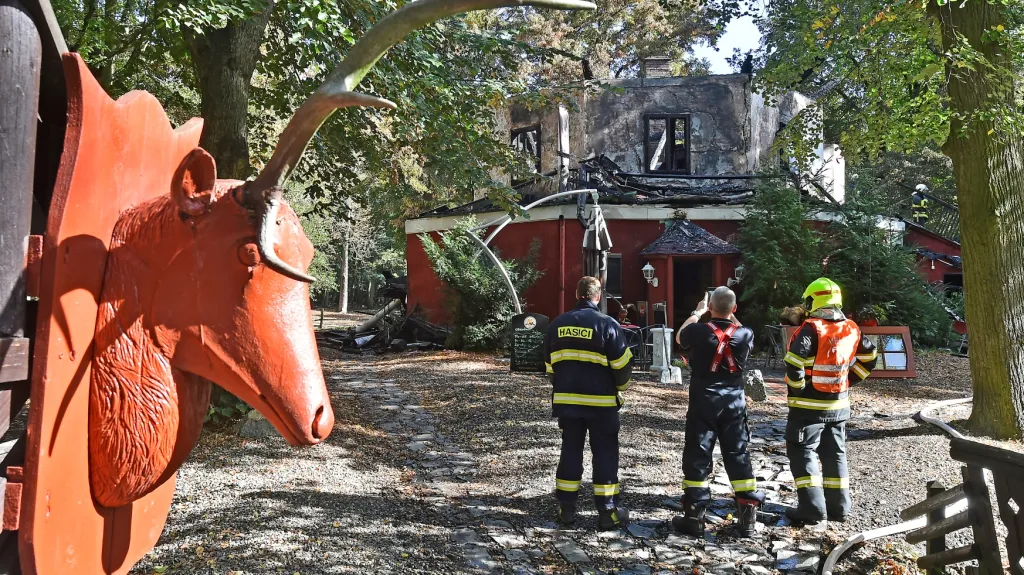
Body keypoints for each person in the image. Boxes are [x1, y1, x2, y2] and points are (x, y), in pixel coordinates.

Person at [783, 278, 878, 524]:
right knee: (835, 454)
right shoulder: (851, 328)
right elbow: (870, 356)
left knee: (802, 452)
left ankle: (812, 509)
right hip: (839, 406)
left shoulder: (812, 327)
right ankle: (839, 509)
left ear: (812, 300)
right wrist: (849, 380)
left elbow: (794, 362)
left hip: (808, 408)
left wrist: (798, 391)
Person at [672, 287, 763, 537]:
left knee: (697, 455)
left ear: (710, 306)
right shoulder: (745, 334)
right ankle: (747, 521)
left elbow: (680, 337)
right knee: (738, 454)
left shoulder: (698, 330)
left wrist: (698, 311)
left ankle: (695, 516)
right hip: (734, 403)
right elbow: (743, 331)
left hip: (703, 401)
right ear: (734, 309)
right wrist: (730, 314)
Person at [544, 276, 634, 530]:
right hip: (602, 404)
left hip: (567, 403)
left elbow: (550, 367)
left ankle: (566, 510)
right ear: (598, 296)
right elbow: (623, 367)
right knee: (605, 452)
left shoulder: (557, 325)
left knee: (570, 451)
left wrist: (565, 388)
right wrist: (619, 389)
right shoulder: (608, 324)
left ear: (576, 293)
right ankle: (607, 511)